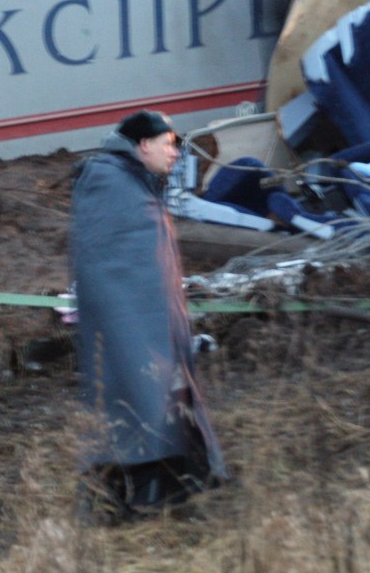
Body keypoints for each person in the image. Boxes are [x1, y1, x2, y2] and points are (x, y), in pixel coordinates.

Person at [69, 109, 228, 521]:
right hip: (128, 325)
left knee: (161, 396)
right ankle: (135, 498)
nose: (175, 153)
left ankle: (178, 486)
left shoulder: (133, 181)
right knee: (138, 399)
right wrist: (133, 325)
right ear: (143, 145)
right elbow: (107, 264)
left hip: (150, 321)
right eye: (168, 144)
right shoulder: (108, 182)